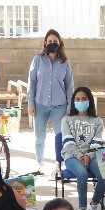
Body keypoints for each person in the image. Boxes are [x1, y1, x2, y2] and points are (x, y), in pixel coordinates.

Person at [60, 86, 105, 210]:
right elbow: (67, 142)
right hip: (71, 155)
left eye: (84, 99)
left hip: (92, 155)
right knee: (82, 173)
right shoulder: (66, 119)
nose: (80, 102)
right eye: (77, 99)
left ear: (90, 100)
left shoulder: (97, 121)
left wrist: (88, 155)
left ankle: (93, 206)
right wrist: (80, 156)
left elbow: (97, 142)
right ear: (73, 102)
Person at [28, 29, 74, 169]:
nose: (52, 43)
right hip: (40, 105)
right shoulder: (37, 60)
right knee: (39, 137)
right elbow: (32, 83)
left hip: (59, 106)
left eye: (55, 41)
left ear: (59, 43)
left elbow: (69, 86)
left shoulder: (65, 63)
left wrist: (69, 106)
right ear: (45, 43)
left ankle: (59, 163)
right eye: (50, 41)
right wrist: (31, 104)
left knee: (60, 136)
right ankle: (40, 163)